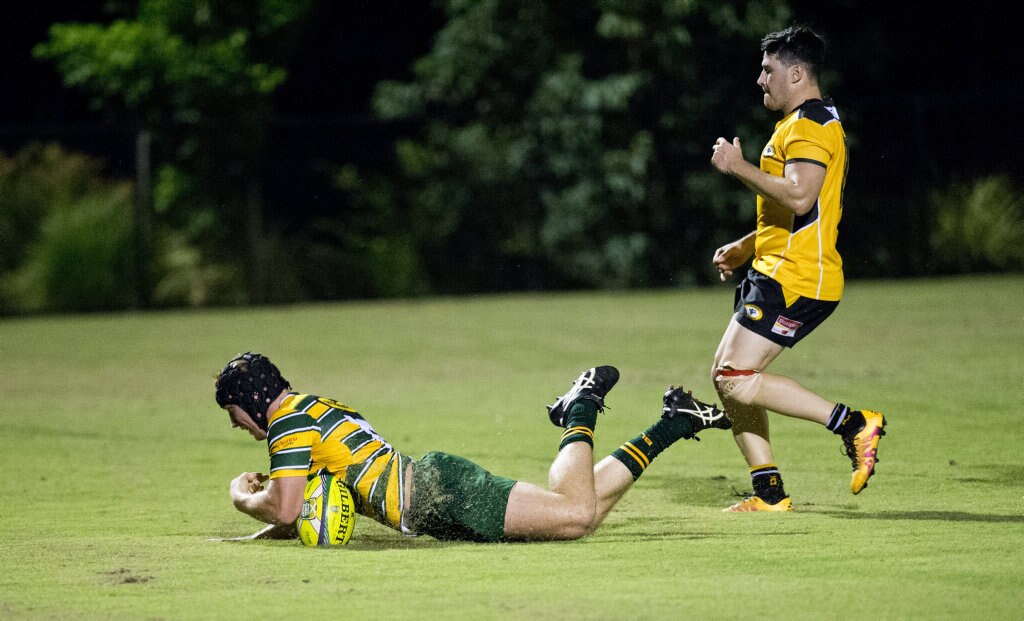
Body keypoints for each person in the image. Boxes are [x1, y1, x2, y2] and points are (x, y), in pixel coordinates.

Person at [212, 352, 732, 542]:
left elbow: (285, 507)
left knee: (573, 514)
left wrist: (242, 497)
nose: (237, 424)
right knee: (582, 513)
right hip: (436, 500)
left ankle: (582, 403)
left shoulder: (287, 425)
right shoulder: (309, 408)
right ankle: (672, 423)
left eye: (233, 413)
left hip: (441, 492)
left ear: (251, 400)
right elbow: (300, 506)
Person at [707, 25, 886, 512]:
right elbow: (801, 209)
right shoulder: (802, 122)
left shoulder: (807, 125)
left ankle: (853, 424)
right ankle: (769, 493)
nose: (760, 79)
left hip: (797, 276)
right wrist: (748, 245)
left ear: (797, 72)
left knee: (734, 376)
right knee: (727, 376)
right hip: (774, 267)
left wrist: (737, 167)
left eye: (768, 70)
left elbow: (802, 195)